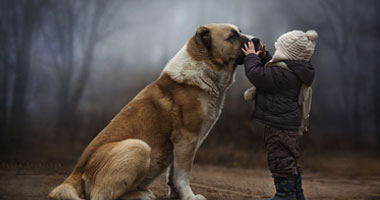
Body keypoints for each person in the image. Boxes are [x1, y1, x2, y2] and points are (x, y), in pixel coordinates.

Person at [241, 30, 318, 200]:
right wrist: (263, 57)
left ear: (286, 53)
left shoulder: (283, 75)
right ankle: (297, 194)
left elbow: (257, 75)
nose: (276, 53)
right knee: (289, 159)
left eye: (279, 50)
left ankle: (285, 196)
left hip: (278, 127)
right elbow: (274, 70)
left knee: (280, 159)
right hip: (288, 124)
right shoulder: (295, 70)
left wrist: (251, 57)